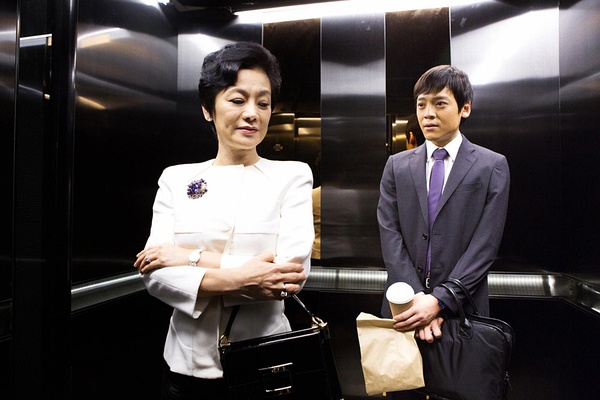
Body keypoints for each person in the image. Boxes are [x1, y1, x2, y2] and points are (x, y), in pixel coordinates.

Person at [133, 42, 314, 400]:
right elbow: (155, 275)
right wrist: (244, 277)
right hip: (185, 368)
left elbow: (289, 275)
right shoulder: (176, 179)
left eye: (263, 103)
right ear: (208, 109)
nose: (252, 113)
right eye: (237, 100)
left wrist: (190, 258)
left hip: (265, 366)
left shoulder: (292, 176)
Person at [377, 65, 510, 399]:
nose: (428, 114)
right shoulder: (397, 166)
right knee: (401, 393)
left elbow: (485, 246)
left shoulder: (491, 166)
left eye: (440, 103)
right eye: (421, 104)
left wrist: (439, 301)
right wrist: (416, 302)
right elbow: (390, 234)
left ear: (465, 108)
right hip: (403, 310)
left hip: (463, 312)